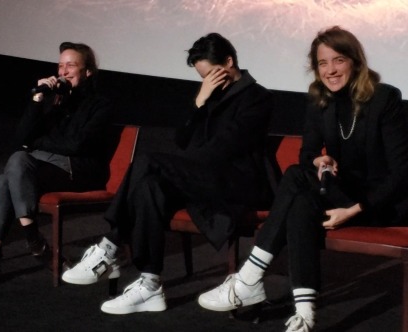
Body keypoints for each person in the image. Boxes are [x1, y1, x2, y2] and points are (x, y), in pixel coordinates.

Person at [197, 26, 408, 332]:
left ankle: (249, 277)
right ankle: (305, 313)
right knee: (300, 199)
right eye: (322, 63)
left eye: (337, 60)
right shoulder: (318, 99)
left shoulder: (384, 98)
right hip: (343, 193)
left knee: (298, 181)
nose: (330, 70)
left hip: (380, 203)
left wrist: (355, 209)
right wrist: (317, 159)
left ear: (355, 60)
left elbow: (402, 174)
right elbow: (307, 153)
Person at [62, 32, 275, 315]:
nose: (209, 81)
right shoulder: (208, 95)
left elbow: (226, 148)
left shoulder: (258, 98)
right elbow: (182, 140)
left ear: (229, 61)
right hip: (201, 177)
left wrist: (178, 166)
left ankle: (111, 244)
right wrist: (199, 102)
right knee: (150, 185)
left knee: (150, 162)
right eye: (203, 77)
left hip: (239, 185)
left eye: (212, 73)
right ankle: (150, 284)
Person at [0, 42, 115, 284]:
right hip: (43, 166)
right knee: (7, 176)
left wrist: (37, 142)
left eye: (71, 66)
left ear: (87, 71)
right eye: (60, 66)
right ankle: (9, 249)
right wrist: (37, 100)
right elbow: (20, 140)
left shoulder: (100, 105)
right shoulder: (55, 101)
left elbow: (76, 145)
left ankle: (21, 244)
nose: (63, 72)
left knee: (14, 167)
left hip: (77, 168)